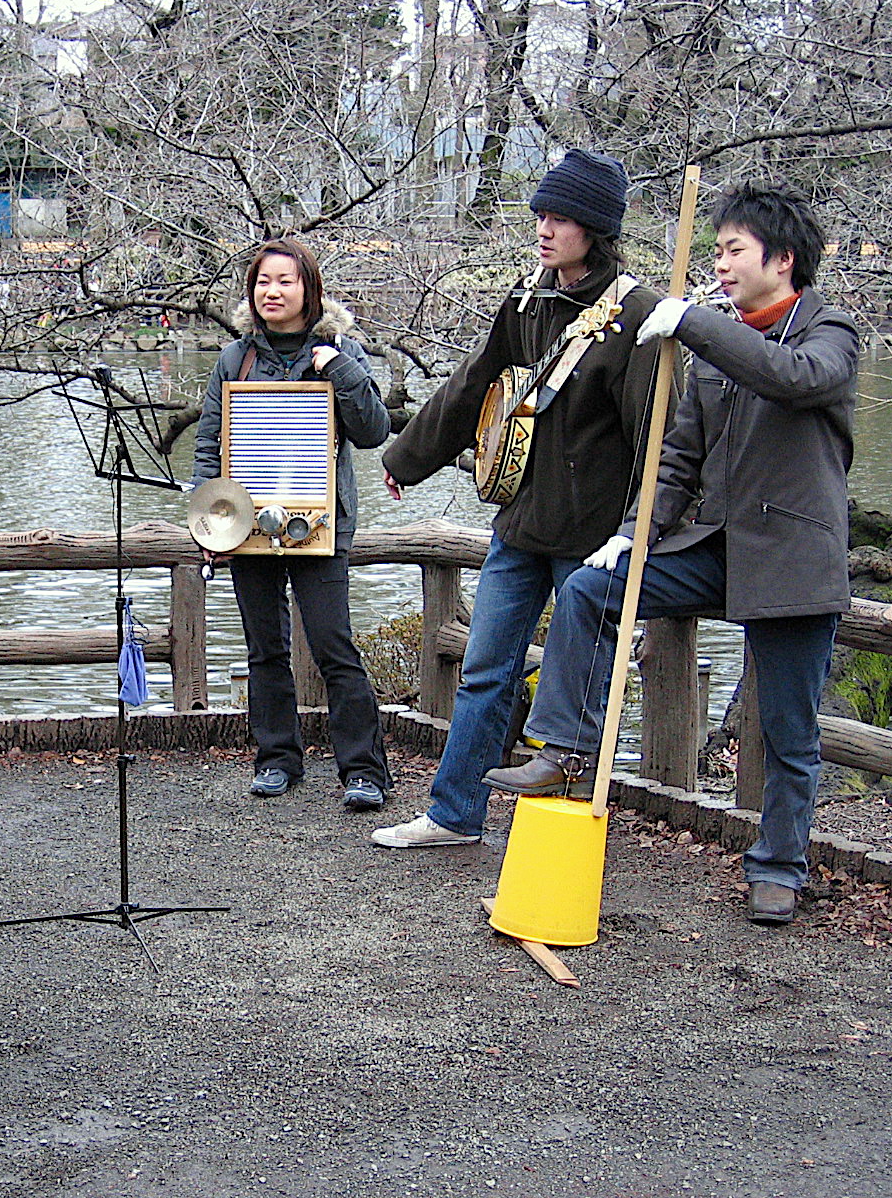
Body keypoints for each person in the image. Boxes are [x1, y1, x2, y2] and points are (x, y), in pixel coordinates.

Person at [483, 182, 858, 926]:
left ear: (782, 260)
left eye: (734, 251)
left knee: (787, 729)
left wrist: (690, 323)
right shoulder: (719, 343)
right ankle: (567, 746)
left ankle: (778, 867)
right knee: (593, 590)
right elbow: (678, 456)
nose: (719, 265)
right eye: (714, 250)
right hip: (714, 548)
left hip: (790, 559)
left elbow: (793, 379)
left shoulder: (829, 331)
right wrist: (633, 531)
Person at [370, 148, 668, 849]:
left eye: (559, 217)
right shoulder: (529, 298)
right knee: (483, 669)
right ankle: (453, 815)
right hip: (523, 522)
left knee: (587, 681)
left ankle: (568, 833)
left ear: (594, 228)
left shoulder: (638, 316)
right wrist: (407, 457)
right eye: (540, 214)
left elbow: (658, 441)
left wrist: (633, 532)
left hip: (595, 536)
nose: (543, 228)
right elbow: (474, 380)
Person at [193, 238, 393, 812]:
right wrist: (211, 524)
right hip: (247, 523)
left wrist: (340, 369)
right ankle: (277, 759)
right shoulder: (235, 359)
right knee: (264, 648)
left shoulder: (339, 350)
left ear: (309, 288)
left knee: (333, 645)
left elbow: (375, 430)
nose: (272, 291)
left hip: (320, 524)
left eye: (284, 281)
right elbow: (211, 444)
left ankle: (363, 770)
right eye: (262, 281)